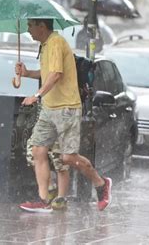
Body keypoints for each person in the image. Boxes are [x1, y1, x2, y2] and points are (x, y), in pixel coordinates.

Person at [16, 18, 111, 213]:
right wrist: (26, 73)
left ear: (42, 26)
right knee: (38, 151)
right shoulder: (44, 46)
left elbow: (57, 74)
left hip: (66, 108)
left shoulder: (56, 42)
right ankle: (43, 200)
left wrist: (36, 95)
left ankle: (101, 184)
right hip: (49, 108)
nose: (28, 30)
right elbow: (47, 73)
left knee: (68, 158)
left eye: (30, 25)